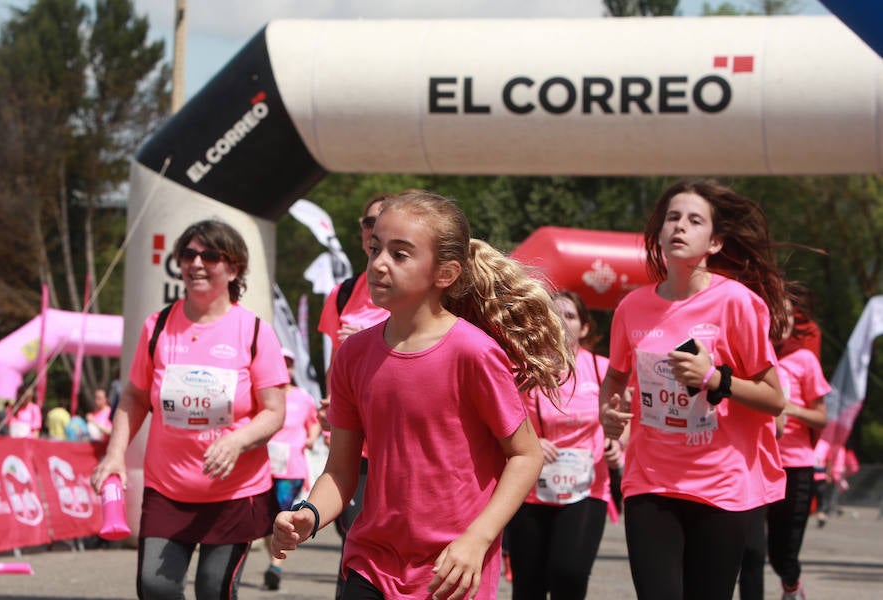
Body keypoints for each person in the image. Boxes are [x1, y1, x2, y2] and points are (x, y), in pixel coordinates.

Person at [271, 190, 574, 599]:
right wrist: (308, 514)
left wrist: (477, 540)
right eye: (375, 248)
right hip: (369, 562)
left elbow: (525, 455)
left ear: (445, 273)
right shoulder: (353, 356)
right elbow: (341, 472)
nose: (378, 263)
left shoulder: (474, 352)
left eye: (400, 254)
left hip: (451, 571)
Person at [599, 178, 788, 600]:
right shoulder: (632, 306)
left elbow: (775, 398)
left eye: (694, 220)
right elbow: (615, 375)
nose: (679, 226)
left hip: (719, 484)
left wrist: (714, 378)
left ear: (715, 242)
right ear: (660, 232)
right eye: (672, 217)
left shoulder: (735, 302)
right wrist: (607, 414)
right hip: (650, 479)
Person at [90, 219, 289, 600]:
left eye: (210, 255)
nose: (196, 263)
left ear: (233, 268)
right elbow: (133, 398)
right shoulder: (159, 326)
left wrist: (236, 441)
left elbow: (274, 412)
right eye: (188, 254)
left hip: (235, 494)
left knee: (213, 591)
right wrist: (115, 455)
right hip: (168, 490)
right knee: (155, 587)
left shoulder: (254, 332)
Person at [505, 290, 618, 599]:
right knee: (528, 585)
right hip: (530, 489)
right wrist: (532, 443)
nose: (561, 321)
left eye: (569, 315)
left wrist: (616, 441)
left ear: (583, 327)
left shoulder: (602, 367)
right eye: (554, 314)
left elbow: (627, 412)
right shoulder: (524, 368)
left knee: (569, 573)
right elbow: (502, 422)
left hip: (586, 487)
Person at [316, 191, 391, 598]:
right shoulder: (342, 294)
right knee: (356, 529)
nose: (374, 229)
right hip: (354, 437)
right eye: (368, 223)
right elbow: (335, 365)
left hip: (397, 436)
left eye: (383, 221)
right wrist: (332, 402)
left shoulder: (410, 290)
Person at [739, 291, 829, 600]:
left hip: (795, 468)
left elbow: (821, 419)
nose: (785, 322)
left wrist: (790, 409)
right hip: (753, 463)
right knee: (750, 551)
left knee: (782, 556)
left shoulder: (805, 360)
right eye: (779, 314)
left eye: (790, 317)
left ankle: (792, 586)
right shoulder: (747, 357)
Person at [262, 347, 322, 591]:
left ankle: (275, 566)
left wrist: (311, 437)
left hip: (291, 470)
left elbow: (315, 423)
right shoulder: (264, 397)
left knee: (280, 513)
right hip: (264, 469)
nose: (285, 369)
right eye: (281, 364)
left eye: (289, 364)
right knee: (267, 520)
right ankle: (274, 561)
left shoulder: (303, 397)